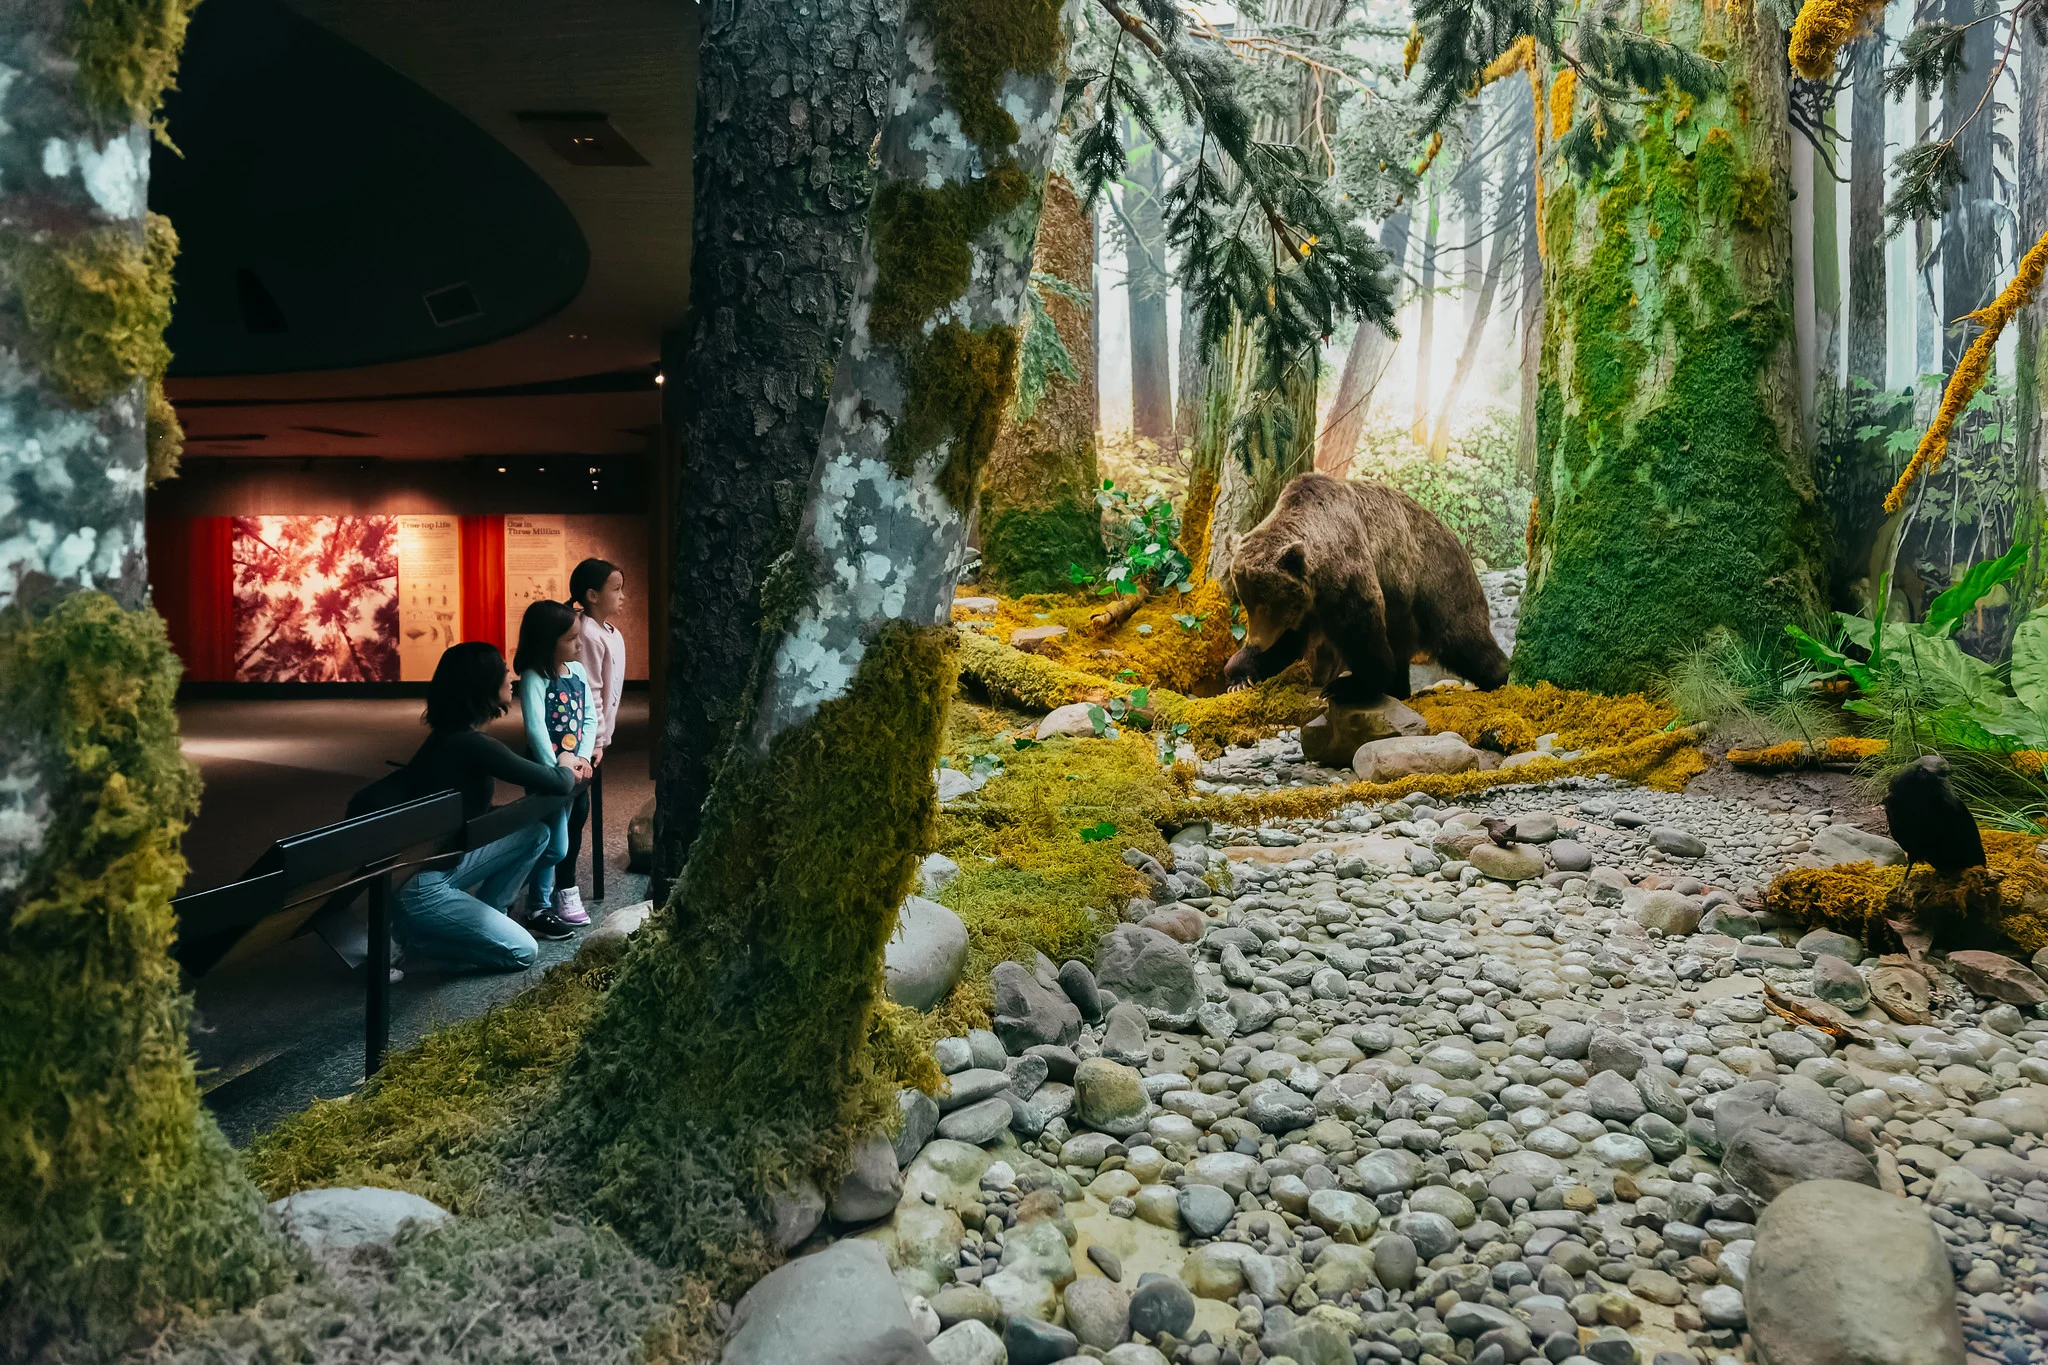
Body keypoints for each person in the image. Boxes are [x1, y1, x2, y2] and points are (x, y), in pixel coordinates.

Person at [395, 642, 584, 971]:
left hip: (440, 863)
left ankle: (489, 916)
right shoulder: (472, 745)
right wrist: (567, 762)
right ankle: (422, 943)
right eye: (502, 671)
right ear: (482, 684)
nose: (511, 677)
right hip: (422, 888)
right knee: (523, 951)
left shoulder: (448, 737)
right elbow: (557, 782)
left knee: (535, 833)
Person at [514, 599, 599, 931]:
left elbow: (589, 718)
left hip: (575, 771)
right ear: (547, 641)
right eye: (571, 639)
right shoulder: (534, 677)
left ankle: (538, 904)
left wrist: (582, 757)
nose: (579, 644)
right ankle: (535, 903)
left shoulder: (576, 671)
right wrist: (556, 771)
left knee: (569, 828)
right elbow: (536, 729)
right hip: (548, 775)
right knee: (555, 845)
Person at [555, 557, 626, 921]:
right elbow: (590, 692)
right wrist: (595, 741)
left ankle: (554, 886)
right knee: (570, 812)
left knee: (575, 812)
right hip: (579, 742)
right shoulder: (585, 633)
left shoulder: (608, 632)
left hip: (594, 741)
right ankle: (561, 888)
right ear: (592, 594)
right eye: (616, 589)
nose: (622, 596)